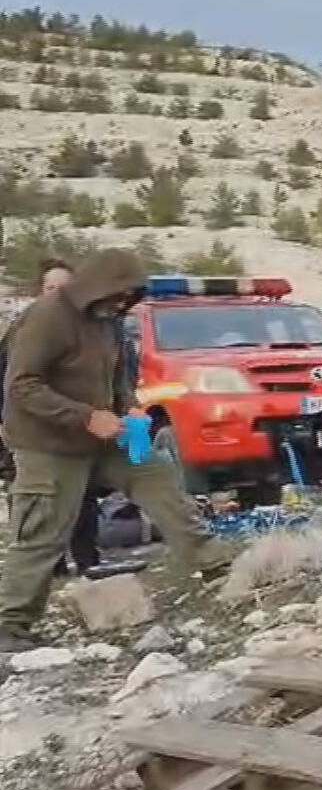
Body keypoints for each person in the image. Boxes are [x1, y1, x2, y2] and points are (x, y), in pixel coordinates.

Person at [0, 249, 228, 651]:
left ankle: (213, 561)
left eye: (130, 297)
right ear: (97, 286)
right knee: (41, 531)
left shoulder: (110, 322)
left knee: (158, 477)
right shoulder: (48, 317)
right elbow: (22, 384)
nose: (123, 304)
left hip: (107, 436)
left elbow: (117, 376)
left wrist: (127, 408)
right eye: (119, 295)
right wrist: (85, 416)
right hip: (48, 444)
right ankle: (11, 625)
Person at [4, 260, 107, 577]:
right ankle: (47, 567)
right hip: (30, 430)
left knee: (83, 495)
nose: (59, 296)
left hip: (75, 428)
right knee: (34, 500)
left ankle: (87, 559)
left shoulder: (88, 330)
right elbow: (8, 381)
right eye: (52, 288)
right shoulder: (23, 330)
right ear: (40, 291)